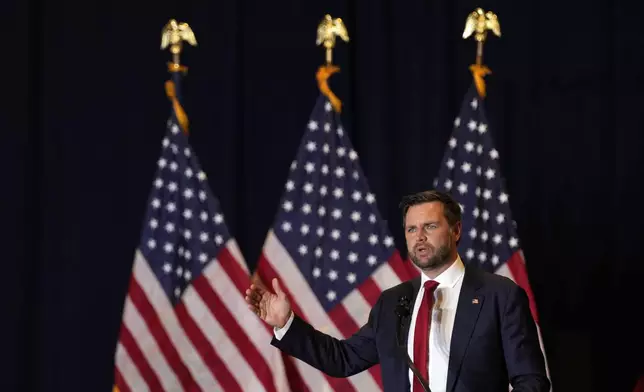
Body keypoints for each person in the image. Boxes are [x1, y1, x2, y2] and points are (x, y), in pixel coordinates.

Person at [245, 190, 550, 392]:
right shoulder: (392, 302)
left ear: (456, 230)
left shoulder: (499, 295)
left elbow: (531, 382)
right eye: (411, 229)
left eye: (430, 226)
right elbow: (343, 359)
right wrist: (286, 324)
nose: (419, 237)